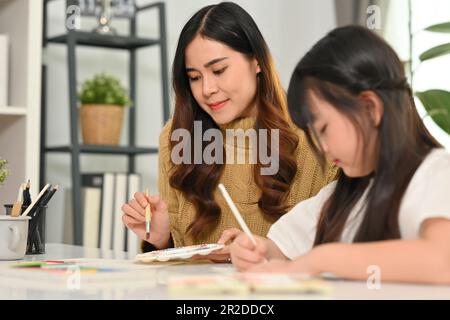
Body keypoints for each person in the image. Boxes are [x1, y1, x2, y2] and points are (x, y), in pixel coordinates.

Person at [229, 25, 450, 284]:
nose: (321, 147)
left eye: (323, 129)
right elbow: (282, 249)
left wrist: (322, 259)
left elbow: (443, 261)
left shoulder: (435, 173)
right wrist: (258, 251)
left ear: (370, 108)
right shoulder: (340, 196)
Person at [121, 2, 336, 261]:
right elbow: (174, 265)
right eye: (194, 77)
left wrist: (261, 251)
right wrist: (163, 237)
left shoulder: (315, 134)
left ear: (256, 61)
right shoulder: (176, 136)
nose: (206, 89)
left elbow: (337, 250)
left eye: (218, 70)